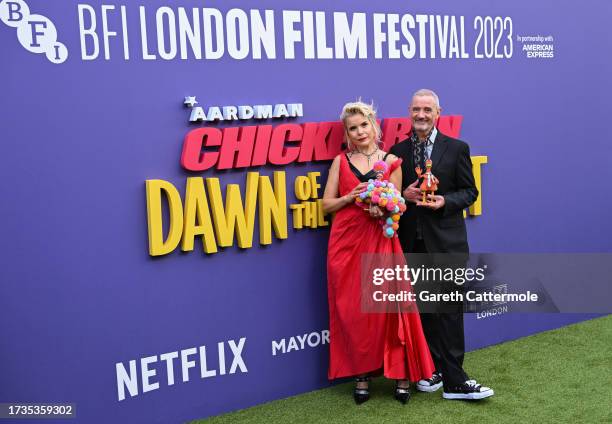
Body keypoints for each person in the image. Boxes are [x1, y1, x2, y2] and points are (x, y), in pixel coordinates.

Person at [323, 101, 435, 405]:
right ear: (347, 133)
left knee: (389, 308)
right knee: (353, 311)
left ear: (375, 125)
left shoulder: (392, 160)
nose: (360, 132)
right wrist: (349, 196)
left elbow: (397, 203)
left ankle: (401, 375)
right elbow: (326, 205)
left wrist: (382, 207)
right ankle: (361, 375)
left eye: (363, 125)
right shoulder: (340, 162)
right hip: (345, 245)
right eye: (353, 128)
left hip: (382, 241)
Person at [389, 89, 494, 400]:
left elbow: (470, 192)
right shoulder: (397, 152)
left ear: (438, 113)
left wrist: (446, 201)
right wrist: (403, 196)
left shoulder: (457, 148)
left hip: (446, 243)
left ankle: (455, 380)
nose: (421, 115)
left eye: (427, 110)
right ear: (409, 112)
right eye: (416, 109)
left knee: (448, 310)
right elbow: (393, 197)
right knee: (423, 310)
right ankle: (431, 370)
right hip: (411, 243)